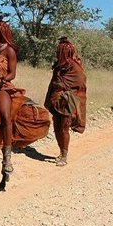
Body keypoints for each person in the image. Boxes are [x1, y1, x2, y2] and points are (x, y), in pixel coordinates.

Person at [44, 37, 87, 166]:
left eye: (59, 51)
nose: (57, 53)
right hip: (57, 101)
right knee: (57, 128)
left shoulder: (75, 68)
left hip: (67, 103)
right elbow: (53, 83)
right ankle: (61, 151)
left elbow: (80, 84)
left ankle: (64, 155)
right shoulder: (59, 67)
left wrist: (63, 88)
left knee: (64, 128)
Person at [0, 17, 20, 174]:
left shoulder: (9, 50)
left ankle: (7, 156)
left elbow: (12, 73)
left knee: (5, 115)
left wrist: (1, 79)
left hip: (2, 87)